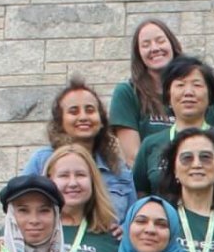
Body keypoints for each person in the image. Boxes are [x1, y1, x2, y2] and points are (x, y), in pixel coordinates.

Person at [25, 78, 135, 219]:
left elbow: (133, 218)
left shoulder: (119, 169)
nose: (83, 117)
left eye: (90, 110)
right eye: (73, 111)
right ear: (60, 122)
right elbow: (19, 209)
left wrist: (124, 231)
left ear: (101, 121)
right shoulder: (42, 161)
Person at [132, 57, 214, 196]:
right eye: (180, 85)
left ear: (210, 95)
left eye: (197, 85)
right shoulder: (151, 144)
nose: (188, 92)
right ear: (168, 95)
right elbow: (140, 192)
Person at [110, 18, 182, 165]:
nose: (154, 48)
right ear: (139, 53)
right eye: (146, 44)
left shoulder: (193, 91)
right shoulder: (127, 93)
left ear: (172, 45)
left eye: (160, 41)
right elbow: (133, 158)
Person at [43, 145, 121, 252]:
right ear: (49, 180)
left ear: (92, 181)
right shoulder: (29, 228)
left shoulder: (111, 235)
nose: (73, 183)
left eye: (80, 175)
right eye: (63, 175)